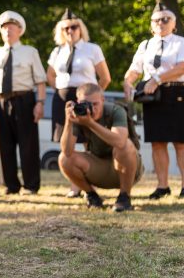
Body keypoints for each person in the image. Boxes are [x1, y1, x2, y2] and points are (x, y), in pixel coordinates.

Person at [123, 2, 184, 199]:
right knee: (157, 142)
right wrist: (127, 82)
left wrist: (158, 79)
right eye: (157, 20)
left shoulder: (182, 42)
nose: (161, 23)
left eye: (165, 19)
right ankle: (162, 186)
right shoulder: (145, 45)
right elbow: (135, 69)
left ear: (174, 23)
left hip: (175, 93)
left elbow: (183, 67)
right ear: (151, 24)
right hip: (152, 96)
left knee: (181, 141)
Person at [46, 9, 111, 197]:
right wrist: (59, 89)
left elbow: (105, 78)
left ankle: (92, 181)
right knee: (66, 142)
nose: (70, 31)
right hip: (63, 98)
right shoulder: (57, 51)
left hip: (85, 96)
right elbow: (50, 75)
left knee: (87, 141)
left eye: (74, 27)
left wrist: (95, 98)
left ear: (80, 29)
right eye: (65, 28)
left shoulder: (92, 49)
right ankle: (75, 185)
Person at [58, 83, 142, 212]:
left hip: (127, 169)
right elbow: (67, 151)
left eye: (95, 104)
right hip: (98, 167)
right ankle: (92, 196)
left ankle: (124, 197)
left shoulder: (115, 111)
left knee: (126, 146)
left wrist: (90, 123)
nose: (91, 108)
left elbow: (120, 142)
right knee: (64, 158)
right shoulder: (78, 116)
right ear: (78, 102)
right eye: (86, 103)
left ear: (103, 100)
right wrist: (68, 122)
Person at [0, 11, 46, 194]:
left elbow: (40, 81)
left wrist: (40, 102)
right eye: (4, 27)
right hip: (0, 100)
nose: (8, 31)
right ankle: (11, 185)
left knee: (27, 145)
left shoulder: (30, 52)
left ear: (20, 30)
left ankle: (31, 185)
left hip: (24, 99)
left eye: (11, 27)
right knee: (3, 145)